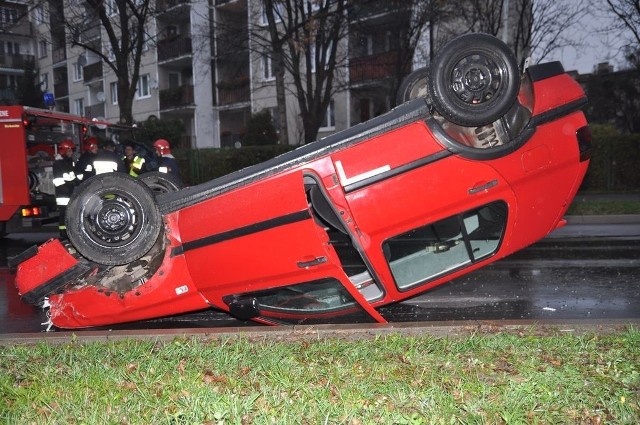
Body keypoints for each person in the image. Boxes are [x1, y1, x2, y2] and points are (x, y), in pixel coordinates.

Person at [52, 139, 76, 238]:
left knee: (70, 213)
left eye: (72, 151)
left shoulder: (70, 162)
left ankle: (69, 231)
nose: (72, 153)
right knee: (64, 213)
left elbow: (72, 176)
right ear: (64, 151)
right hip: (63, 194)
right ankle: (63, 232)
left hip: (70, 192)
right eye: (69, 150)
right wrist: (69, 188)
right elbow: (58, 181)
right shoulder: (58, 164)